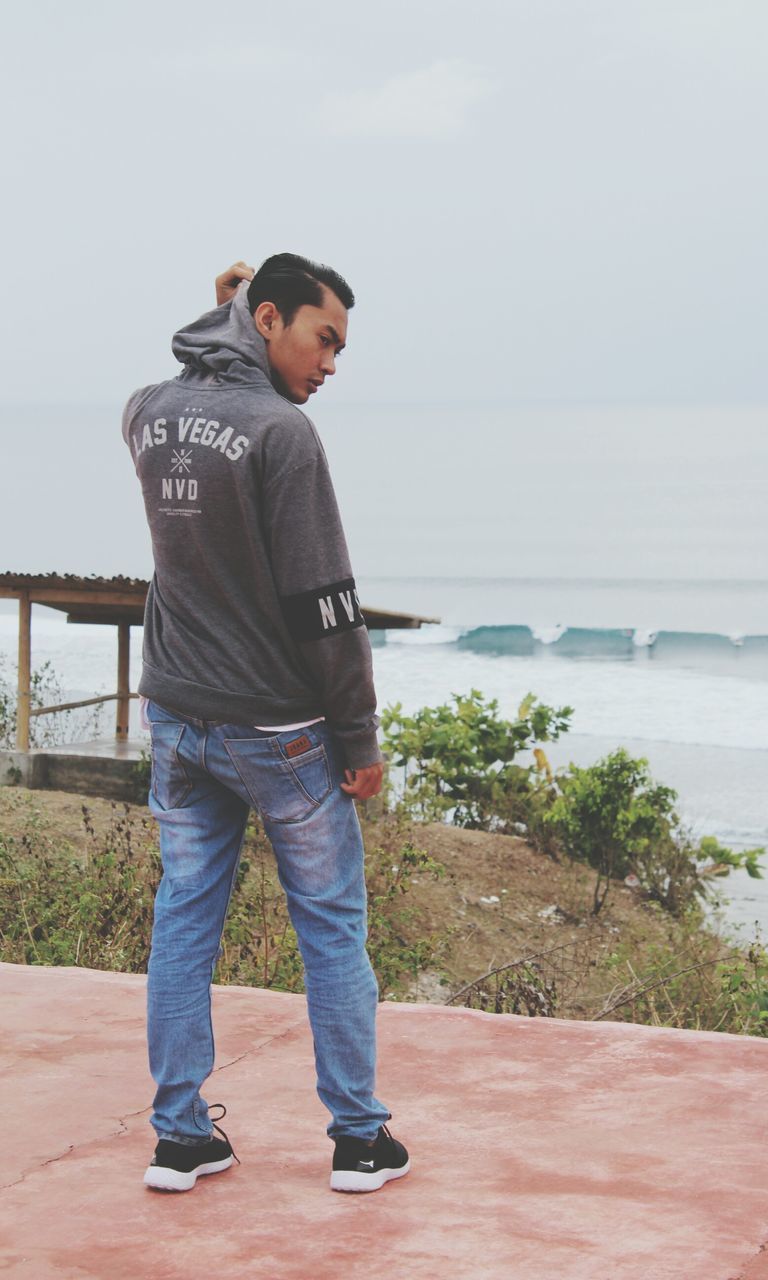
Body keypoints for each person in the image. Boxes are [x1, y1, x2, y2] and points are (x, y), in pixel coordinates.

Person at [122, 253, 409, 1194]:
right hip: (279, 733)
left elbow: (193, 379)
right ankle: (359, 1140)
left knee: (183, 920)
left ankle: (178, 1135)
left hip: (177, 717)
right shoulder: (283, 436)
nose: (331, 363)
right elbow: (326, 605)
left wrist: (227, 316)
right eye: (322, 339)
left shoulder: (146, 414)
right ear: (274, 320)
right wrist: (358, 741)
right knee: (330, 927)